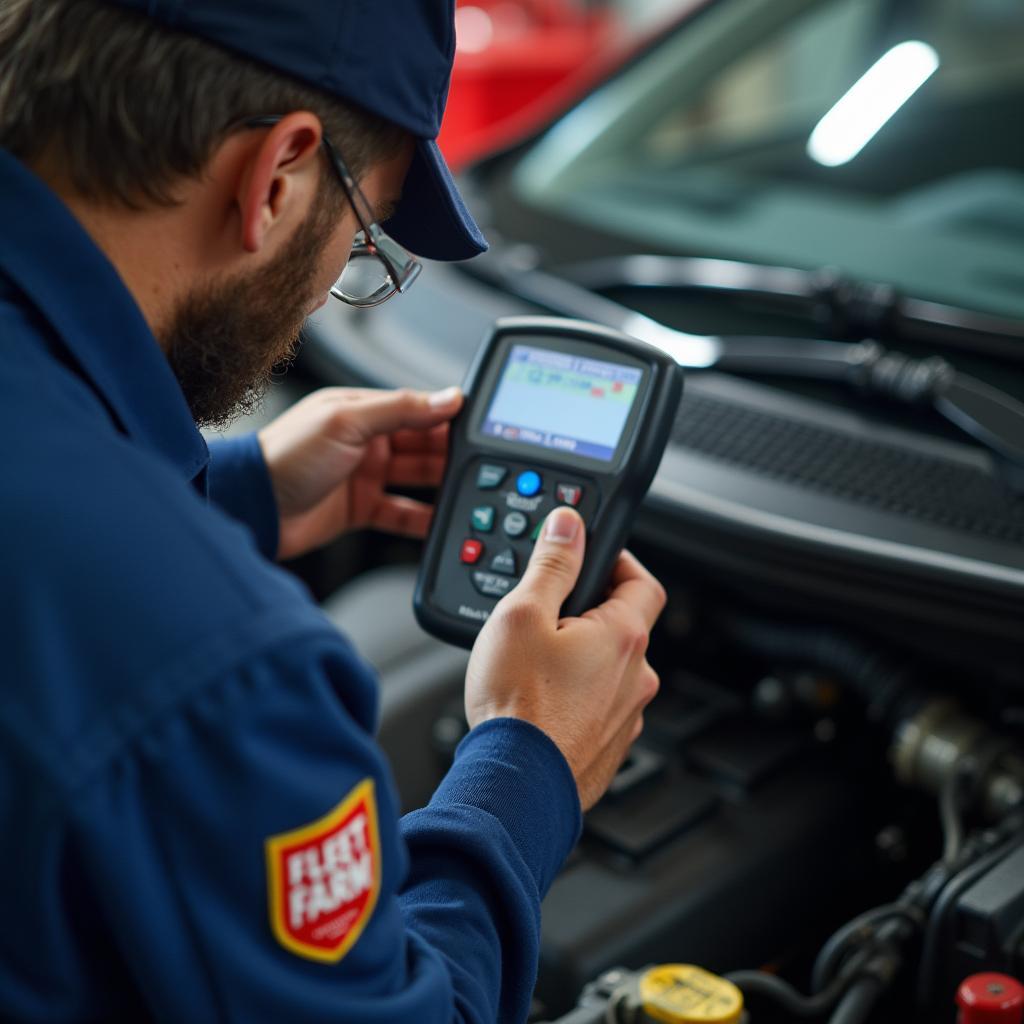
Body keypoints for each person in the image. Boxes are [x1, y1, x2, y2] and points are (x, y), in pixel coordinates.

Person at [0, 1, 665, 1021]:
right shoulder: (226, 668)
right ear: (277, 175)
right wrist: (532, 762)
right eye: (362, 237)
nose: (326, 290)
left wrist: (232, 492)